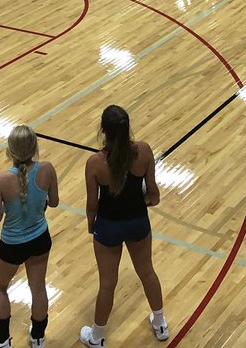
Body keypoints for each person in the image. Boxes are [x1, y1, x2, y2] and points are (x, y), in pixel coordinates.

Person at [79, 105, 168, 347]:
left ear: (103, 131)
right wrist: (140, 202)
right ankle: (160, 324)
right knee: (147, 271)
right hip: (138, 223)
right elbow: (154, 196)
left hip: (108, 228)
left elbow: (92, 206)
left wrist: (91, 226)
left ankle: (97, 337)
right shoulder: (145, 151)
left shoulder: (94, 163)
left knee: (107, 283)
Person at [0, 125, 59, 348]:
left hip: (12, 245)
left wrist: (7, 206)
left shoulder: (0, 180)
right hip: (41, 239)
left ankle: (2, 341)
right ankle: (38, 338)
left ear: (9, 150)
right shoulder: (47, 169)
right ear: (35, 147)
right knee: (39, 288)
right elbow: (53, 202)